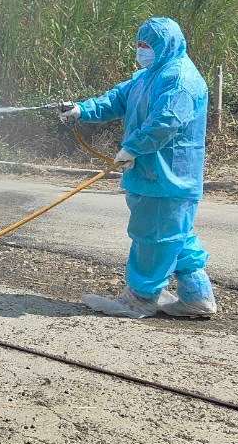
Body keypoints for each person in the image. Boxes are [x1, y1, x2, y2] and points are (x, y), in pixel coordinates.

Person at [59, 17, 217, 319]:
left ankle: (140, 299)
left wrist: (133, 148)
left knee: (153, 237)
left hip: (167, 177)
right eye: (140, 44)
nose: (142, 50)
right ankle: (197, 297)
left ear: (166, 44)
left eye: (148, 45)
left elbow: (165, 122)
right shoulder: (149, 75)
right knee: (177, 236)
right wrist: (81, 110)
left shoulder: (181, 80)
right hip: (154, 175)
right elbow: (117, 99)